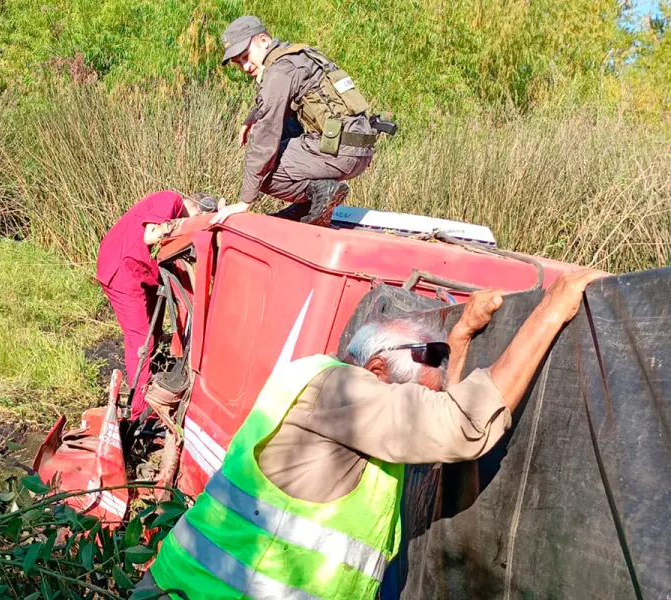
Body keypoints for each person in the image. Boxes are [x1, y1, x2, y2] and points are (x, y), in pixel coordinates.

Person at [137, 268, 605, 599]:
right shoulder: (340, 390)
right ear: (378, 367)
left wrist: (458, 339)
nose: (437, 379)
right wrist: (551, 311)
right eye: (431, 361)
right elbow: (461, 424)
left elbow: (442, 425)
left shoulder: (343, 408)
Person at [211, 15, 381, 228]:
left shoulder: (279, 71)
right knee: (285, 127)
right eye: (239, 62)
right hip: (359, 149)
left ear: (264, 41)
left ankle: (318, 193)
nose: (245, 66)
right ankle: (312, 203)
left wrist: (245, 201)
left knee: (262, 167)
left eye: (246, 56)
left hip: (340, 151)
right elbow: (280, 105)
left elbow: (265, 137)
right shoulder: (298, 56)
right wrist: (253, 116)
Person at [96, 190, 217, 421]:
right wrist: (187, 225)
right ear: (198, 209)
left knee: (155, 332)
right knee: (142, 340)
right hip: (123, 272)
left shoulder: (170, 209)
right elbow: (151, 235)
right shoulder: (170, 199)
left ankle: (151, 383)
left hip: (140, 272)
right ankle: (140, 411)